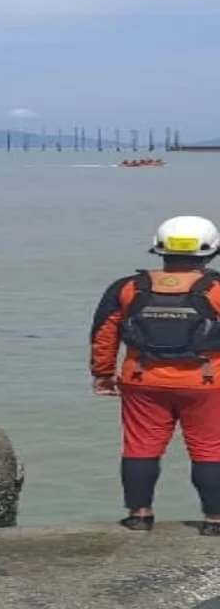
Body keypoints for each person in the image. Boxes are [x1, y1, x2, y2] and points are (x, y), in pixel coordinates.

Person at [90, 215, 220, 534]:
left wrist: (102, 373)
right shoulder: (216, 289)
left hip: (141, 380)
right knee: (210, 449)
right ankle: (214, 521)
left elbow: (104, 333)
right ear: (211, 252)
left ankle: (140, 515)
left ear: (160, 250)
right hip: (206, 382)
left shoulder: (127, 287)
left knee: (140, 447)